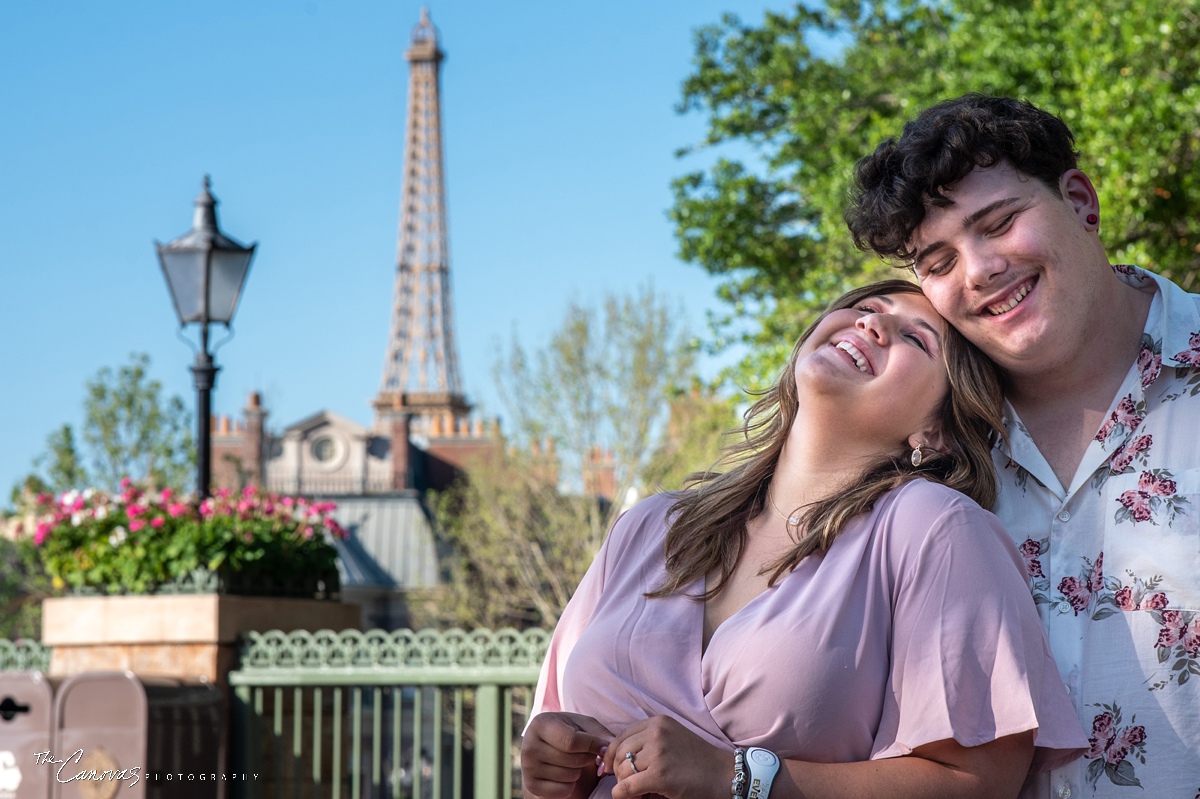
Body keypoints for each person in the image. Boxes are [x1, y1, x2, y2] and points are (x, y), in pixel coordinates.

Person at [521, 279, 1085, 799]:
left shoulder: (935, 529)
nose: (872, 325)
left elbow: (979, 782)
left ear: (935, 430)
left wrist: (736, 775)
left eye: (915, 338)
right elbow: (556, 715)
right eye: (865, 308)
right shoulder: (647, 526)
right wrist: (553, 756)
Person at [845, 94, 1200, 798]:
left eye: (999, 223)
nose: (977, 270)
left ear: (1080, 200)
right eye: (938, 260)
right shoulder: (920, 457)